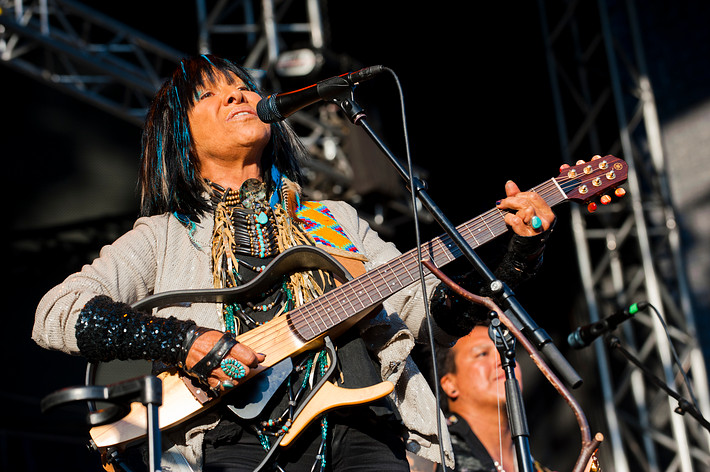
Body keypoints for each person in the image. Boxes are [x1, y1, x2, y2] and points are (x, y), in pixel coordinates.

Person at [32, 54, 556, 472]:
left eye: (241, 85)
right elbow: (56, 313)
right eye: (209, 94)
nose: (237, 93)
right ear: (182, 141)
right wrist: (182, 341)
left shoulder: (334, 221)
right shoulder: (166, 236)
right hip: (233, 439)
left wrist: (519, 251)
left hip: (364, 428)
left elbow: (433, 320)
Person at [436, 324, 555, 472]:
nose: (503, 359)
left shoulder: (535, 467)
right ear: (450, 384)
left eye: (507, 351)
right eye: (482, 354)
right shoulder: (431, 452)